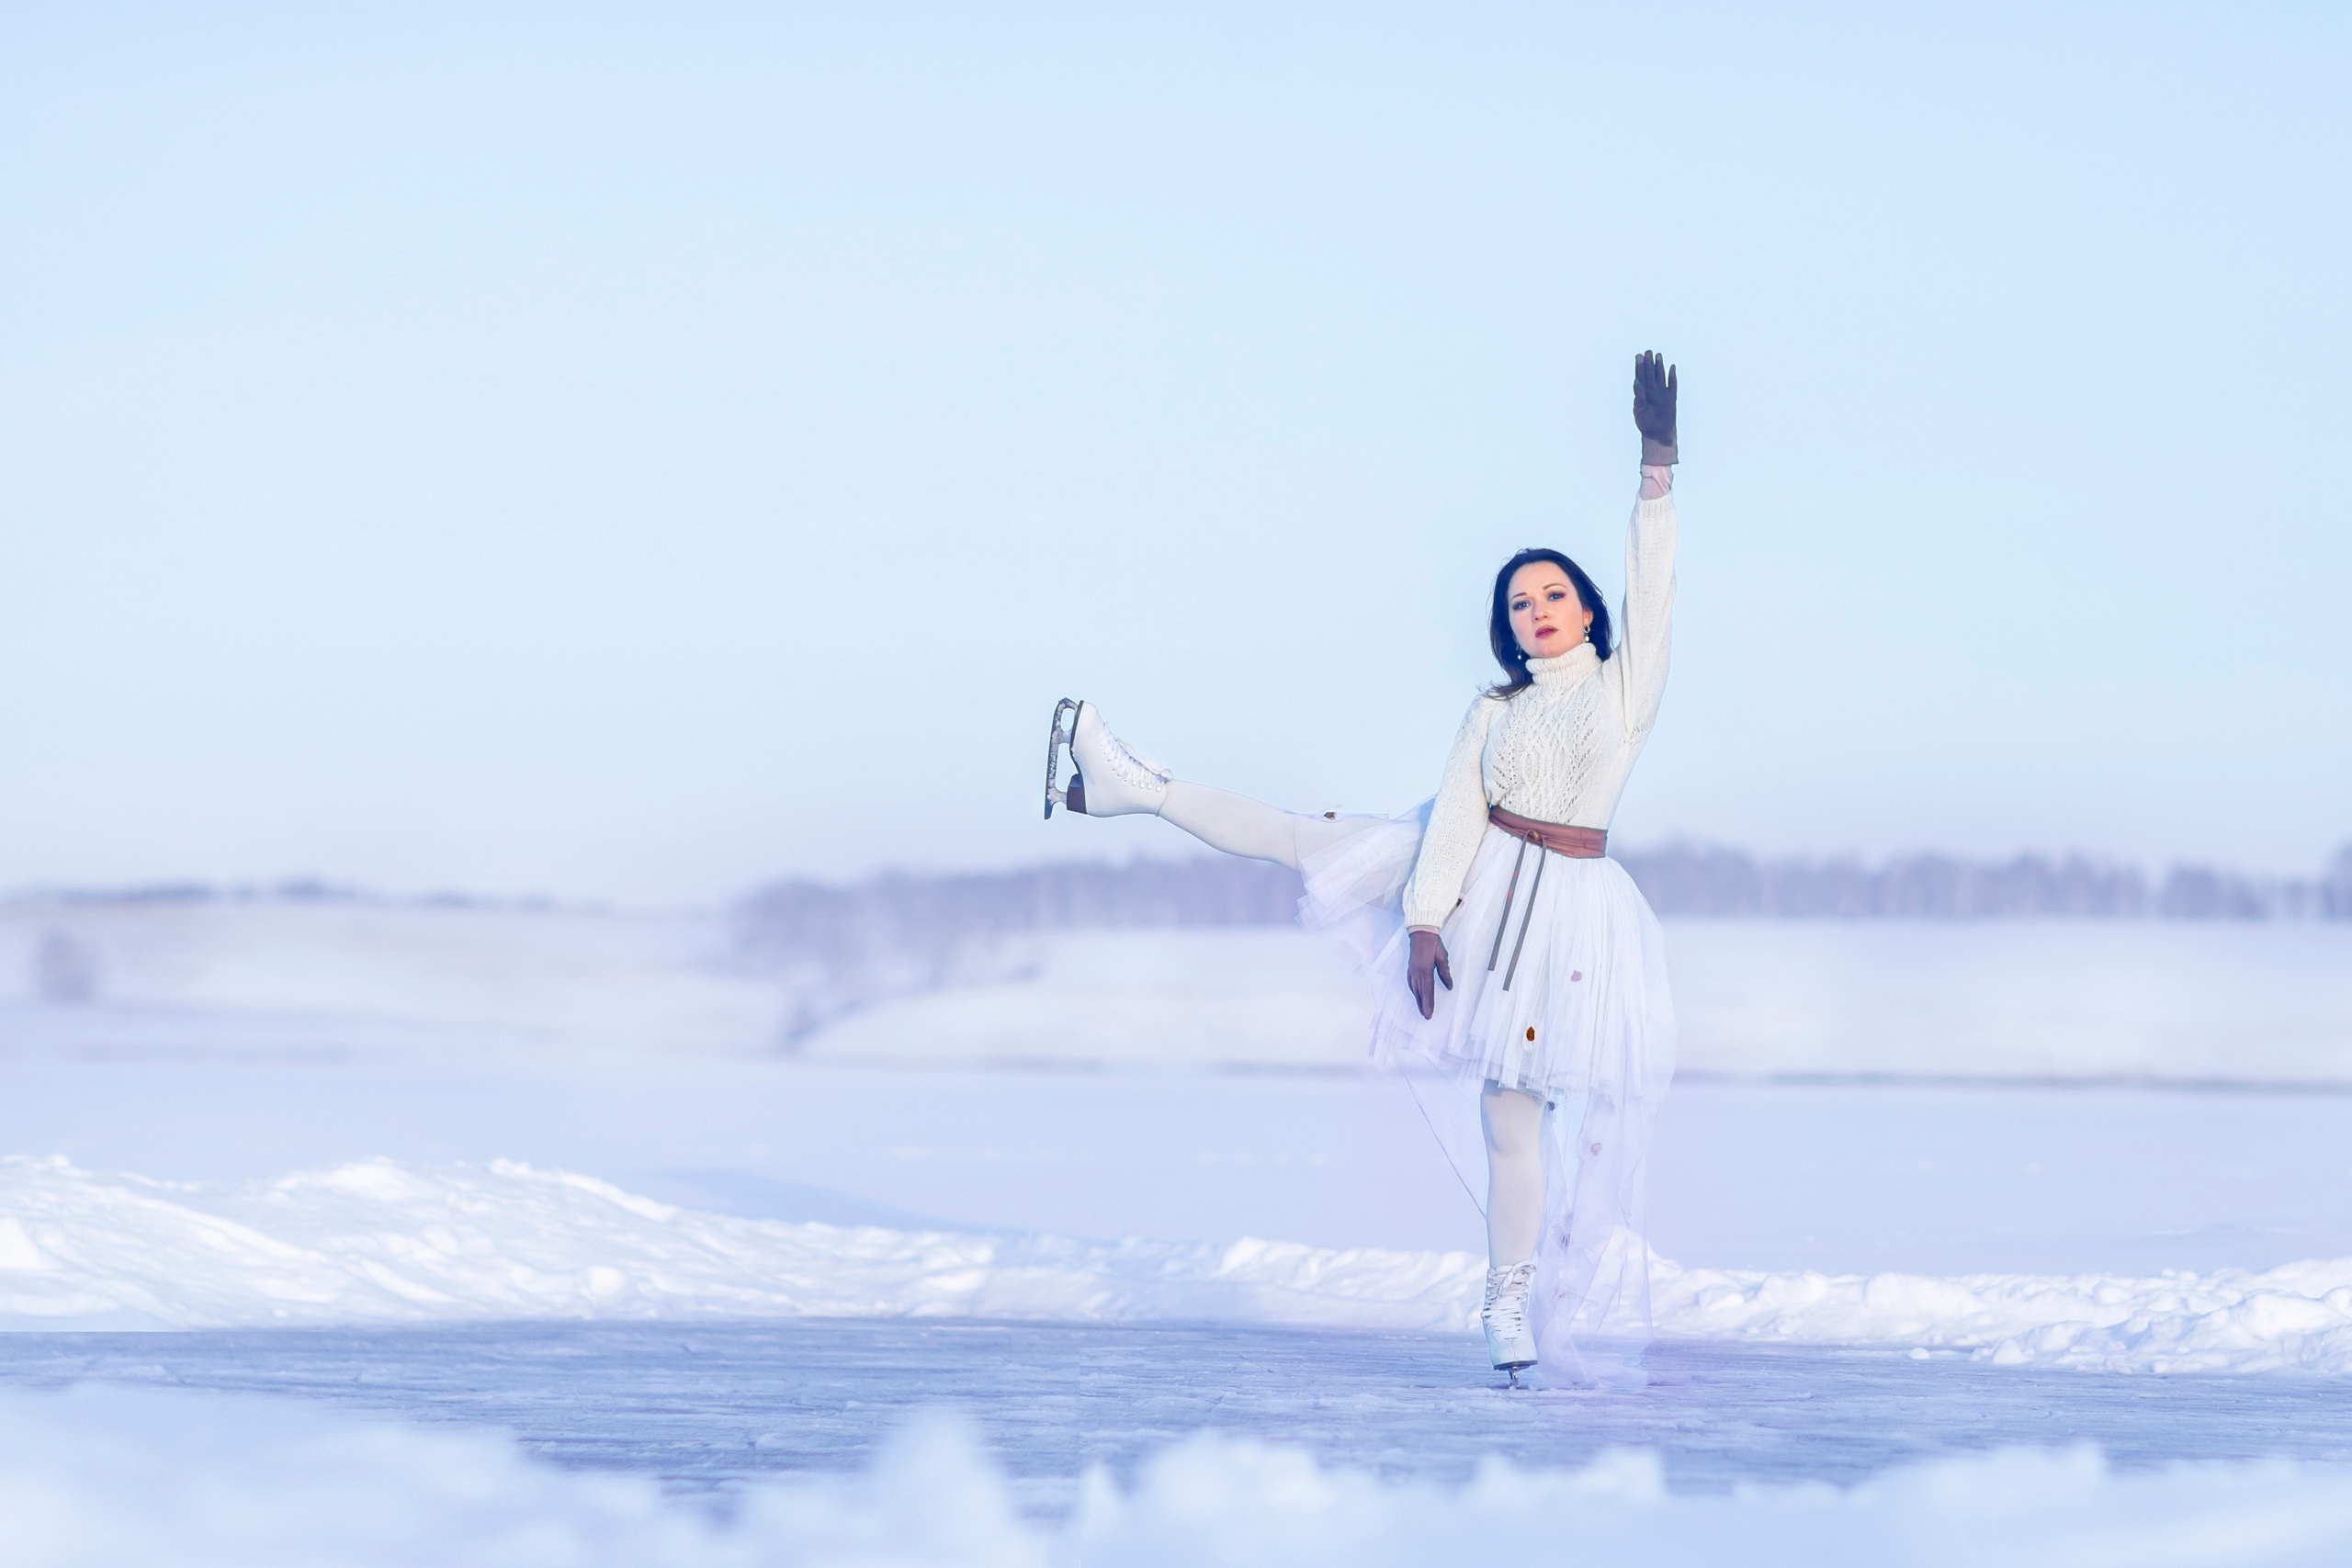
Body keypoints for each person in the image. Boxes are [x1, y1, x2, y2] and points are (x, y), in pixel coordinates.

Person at [1044, 352, 1681, 1388]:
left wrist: (1656, 471)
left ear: (1587, 612)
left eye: (1554, 594)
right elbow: (1463, 811)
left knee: (1524, 1117)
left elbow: (1653, 593)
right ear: (1505, 627)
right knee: (1314, 841)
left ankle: (1520, 1292)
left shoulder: (1622, 694)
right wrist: (1426, 919)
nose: (1538, 611)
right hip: (1470, 885)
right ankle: (1137, 789)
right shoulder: (1494, 712)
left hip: (1568, 924)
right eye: (1519, 604)